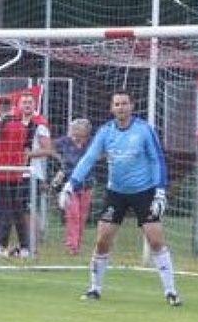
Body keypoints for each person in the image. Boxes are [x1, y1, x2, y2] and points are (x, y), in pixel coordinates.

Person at [60, 91, 182, 306]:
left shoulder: (144, 130)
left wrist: (160, 191)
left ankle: (171, 292)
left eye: (125, 103)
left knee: (156, 240)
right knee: (102, 240)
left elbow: (157, 160)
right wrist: (71, 185)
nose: (121, 107)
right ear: (111, 107)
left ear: (132, 106)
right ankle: (95, 289)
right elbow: (88, 159)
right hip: (115, 193)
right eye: (117, 104)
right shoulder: (106, 132)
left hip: (145, 192)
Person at [0, 96, 31, 258]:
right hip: (17, 174)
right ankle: (25, 247)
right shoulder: (22, 125)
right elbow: (26, 150)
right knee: (17, 212)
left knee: (2, 211)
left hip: (1, 174)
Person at [52, 118, 93, 255]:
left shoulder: (91, 143)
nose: (76, 131)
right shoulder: (64, 142)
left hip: (87, 184)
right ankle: (72, 246)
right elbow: (49, 148)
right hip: (69, 185)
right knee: (73, 215)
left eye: (80, 128)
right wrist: (59, 160)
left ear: (86, 132)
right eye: (75, 128)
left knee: (82, 217)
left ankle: (78, 245)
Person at [18, 92, 53, 240]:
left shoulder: (40, 125)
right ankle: (28, 240)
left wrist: (28, 155)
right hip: (17, 172)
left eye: (30, 102)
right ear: (19, 105)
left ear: (34, 105)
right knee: (20, 209)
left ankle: (35, 240)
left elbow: (48, 149)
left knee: (28, 208)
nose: (27, 105)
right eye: (24, 102)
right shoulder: (14, 123)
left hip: (32, 173)